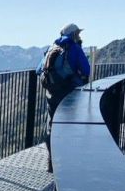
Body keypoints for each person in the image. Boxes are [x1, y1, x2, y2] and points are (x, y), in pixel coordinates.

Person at [37, 23, 90, 172]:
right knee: (68, 125)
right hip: (69, 92)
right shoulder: (74, 48)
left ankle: (51, 159)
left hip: (52, 92)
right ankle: (66, 159)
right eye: (78, 33)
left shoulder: (52, 48)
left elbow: (38, 70)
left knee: (51, 124)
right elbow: (86, 69)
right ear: (74, 34)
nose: (79, 36)